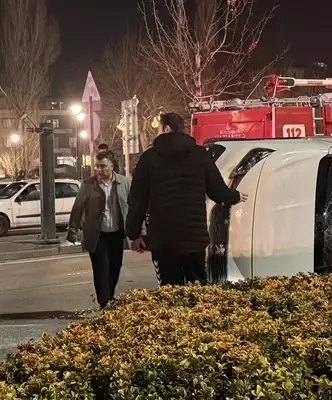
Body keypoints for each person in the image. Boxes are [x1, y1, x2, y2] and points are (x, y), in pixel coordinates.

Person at [125, 112, 243, 286]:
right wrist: (236, 196)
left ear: (166, 128)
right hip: (194, 237)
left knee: (170, 290)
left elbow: (137, 200)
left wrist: (134, 234)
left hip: (163, 239)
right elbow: (217, 192)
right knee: (198, 289)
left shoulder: (149, 158)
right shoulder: (201, 155)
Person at [69, 150, 131, 308]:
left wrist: (140, 231)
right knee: (101, 270)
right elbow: (78, 208)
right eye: (96, 166)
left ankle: (109, 296)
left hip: (117, 234)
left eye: (102, 166)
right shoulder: (88, 184)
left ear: (112, 165)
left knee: (115, 268)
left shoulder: (124, 182)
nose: (99, 170)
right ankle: (105, 303)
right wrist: (72, 230)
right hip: (97, 236)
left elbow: (131, 207)